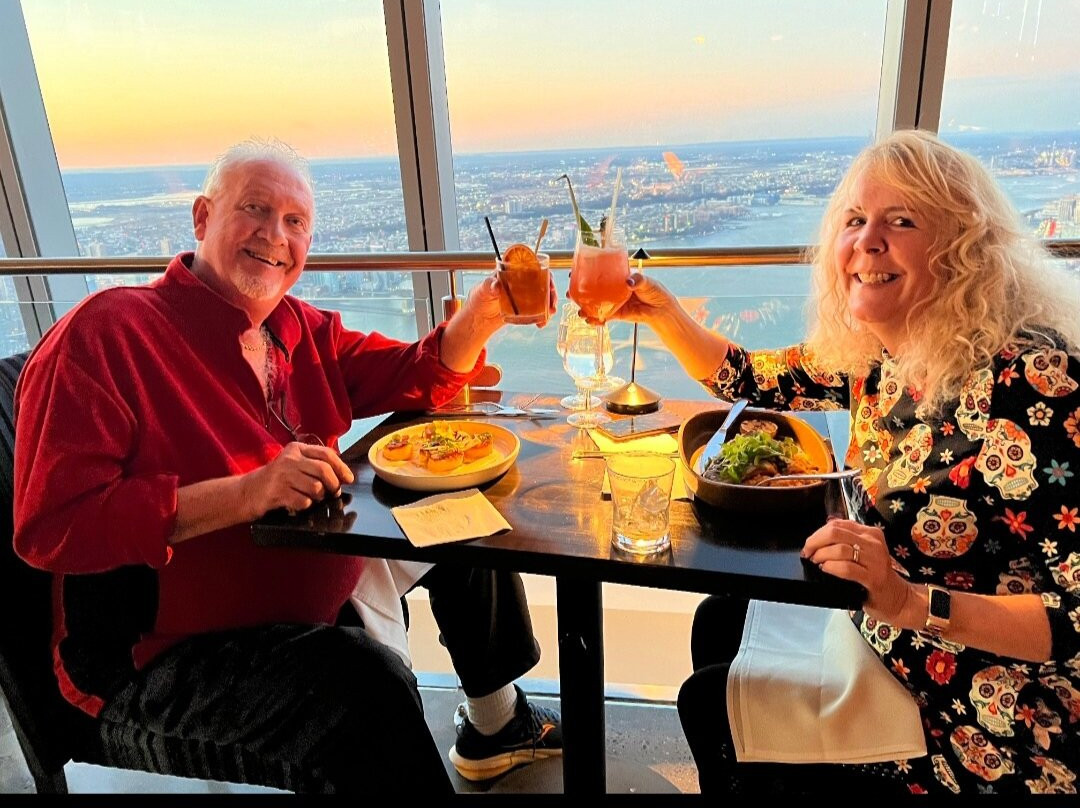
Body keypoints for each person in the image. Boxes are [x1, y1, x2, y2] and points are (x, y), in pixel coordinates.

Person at [12, 137, 561, 794]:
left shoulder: (297, 328)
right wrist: (247, 492)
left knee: (459, 508)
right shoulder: (106, 334)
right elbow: (53, 527)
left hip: (308, 587)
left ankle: (497, 726)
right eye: (255, 208)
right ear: (202, 218)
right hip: (153, 661)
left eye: (295, 221)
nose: (275, 234)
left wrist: (484, 313)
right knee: (361, 688)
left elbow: (415, 372)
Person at [603, 130, 1080, 795]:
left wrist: (909, 601)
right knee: (720, 618)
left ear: (965, 247)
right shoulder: (884, 351)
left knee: (708, 702)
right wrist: (662, 314)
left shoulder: (1033, 383)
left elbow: (1074, 615)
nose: (868, 241)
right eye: (855, 219)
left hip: (989, 710)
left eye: (902, 220)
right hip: (889, 632)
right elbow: (752, 379)